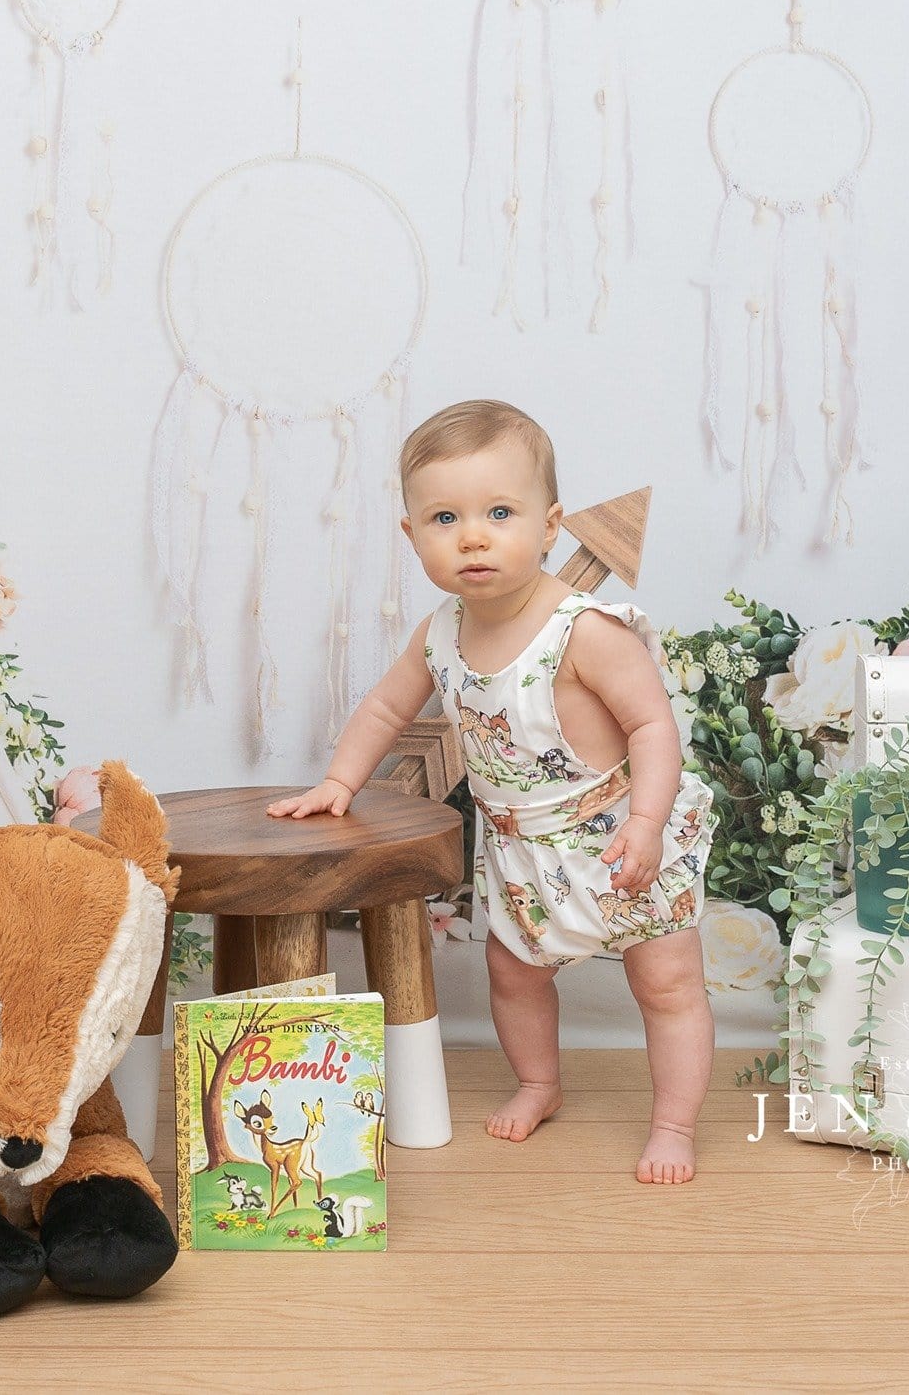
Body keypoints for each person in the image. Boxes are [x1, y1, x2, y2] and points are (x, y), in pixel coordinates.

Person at [267, 399, 715, 1183]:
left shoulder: (583, 630)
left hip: (617, 834)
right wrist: (340, 781)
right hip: (518, 850)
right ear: (412, 534)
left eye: (500, 513)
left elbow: (652, 727)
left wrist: (647, 822)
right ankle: (539, 1082)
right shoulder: (440, 632)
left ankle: (674, 1124)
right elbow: (385, 709)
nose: (472, 536)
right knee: (514, 976)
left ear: (550, 526)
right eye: (445, 518)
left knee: (667, 983)